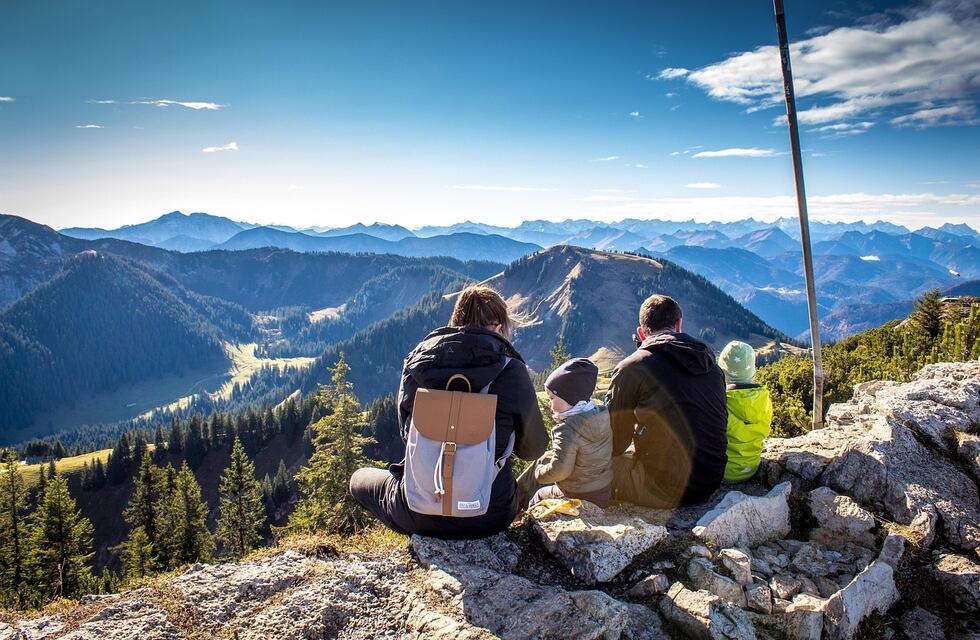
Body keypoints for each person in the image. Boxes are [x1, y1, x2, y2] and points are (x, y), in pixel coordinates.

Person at [349, 285, 547, 539]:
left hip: (416, 512)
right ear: (499, 327)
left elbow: (406, 433)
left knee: (359, 479)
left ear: (456, 321)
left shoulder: (417, 363)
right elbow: (533, 449)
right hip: (489, 515)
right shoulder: (512, 371)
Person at [606, 294, 727, 508]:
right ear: (679, 325)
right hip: (710, 481)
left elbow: (616, 443)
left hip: (662, 488)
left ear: (641, 333)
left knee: (579, 465)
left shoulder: (632, 368)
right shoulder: (711, 365)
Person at [516, 358, 613, 508]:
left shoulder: (567, 429)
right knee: (543, 458)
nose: (549, 403)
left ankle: (522, 519)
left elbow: (560, 471)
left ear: (569, 398)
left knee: (539, 494)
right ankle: (514, 497)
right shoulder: (600, 415)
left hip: (579, 494)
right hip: (601, 490)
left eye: (552, 398)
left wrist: (538, 473)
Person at [717, 341, 773, 482]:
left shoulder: (720, 401)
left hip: (723, 472)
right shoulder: (764, 399)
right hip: (752, 467)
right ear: (752, 370)